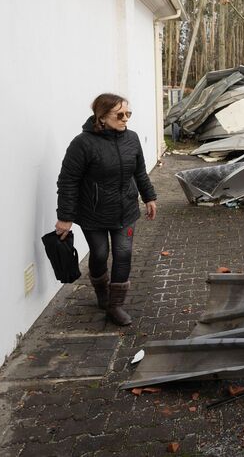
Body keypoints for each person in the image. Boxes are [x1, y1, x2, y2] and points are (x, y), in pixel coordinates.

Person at [55, 93, 157, 326]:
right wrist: (65, 217)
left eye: (128, 114)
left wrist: (149, 196)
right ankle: (102, 294)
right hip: (94, 213)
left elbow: (139, 172)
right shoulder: (82, 144)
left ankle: (115, 305)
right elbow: (68, 180)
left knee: (123, 254)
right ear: (101, 117)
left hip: (126, 210)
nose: (125, 119)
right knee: (100, 254)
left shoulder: (132, 138)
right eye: (119, 115)